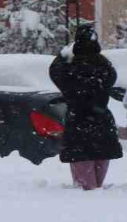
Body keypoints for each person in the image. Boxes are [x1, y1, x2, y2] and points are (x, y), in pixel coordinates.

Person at [49, 24, 123, 190]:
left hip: (79, 126)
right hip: (102, 125)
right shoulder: (104, 67)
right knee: (98, 180)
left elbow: (54, 71)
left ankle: (87, 209)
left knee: (84, 187)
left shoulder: (69, 70)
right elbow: (112, 77)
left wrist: (63, 53)